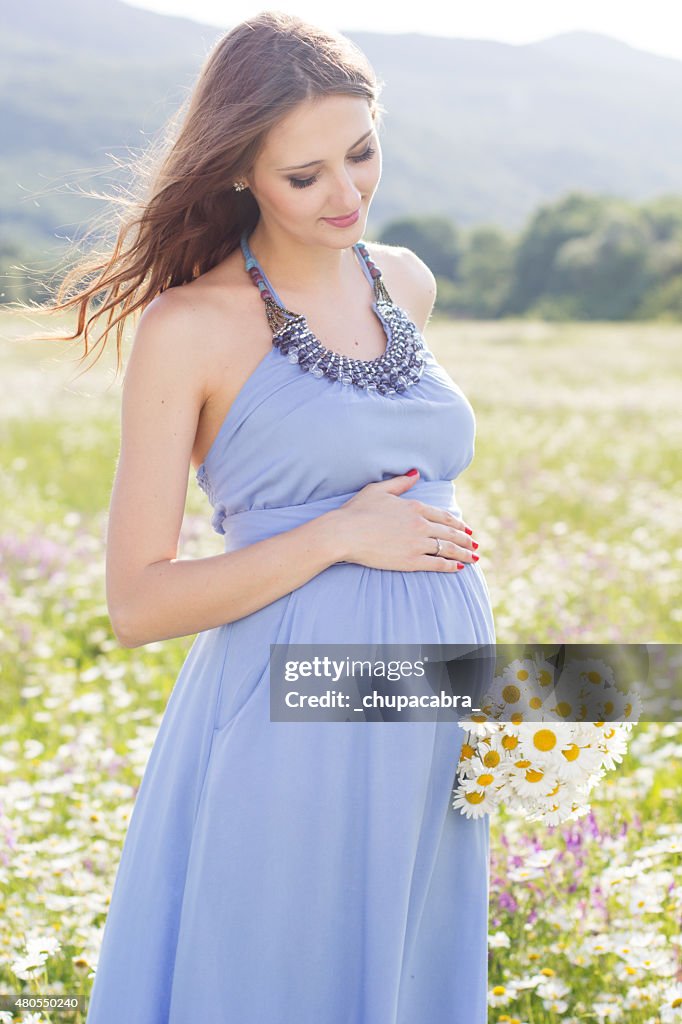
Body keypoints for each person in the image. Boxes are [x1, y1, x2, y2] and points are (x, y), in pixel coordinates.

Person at [36, 11, 496, 1023]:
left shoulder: (406, 283)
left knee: (410, 982)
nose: (347, 195)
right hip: (294, 720)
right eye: (305, 175)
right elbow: (137, 602)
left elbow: (417, 509)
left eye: (362, 153)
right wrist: (335, 534)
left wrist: (517, 700)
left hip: (433, 711)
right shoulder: (189, 328)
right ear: (241, 169)